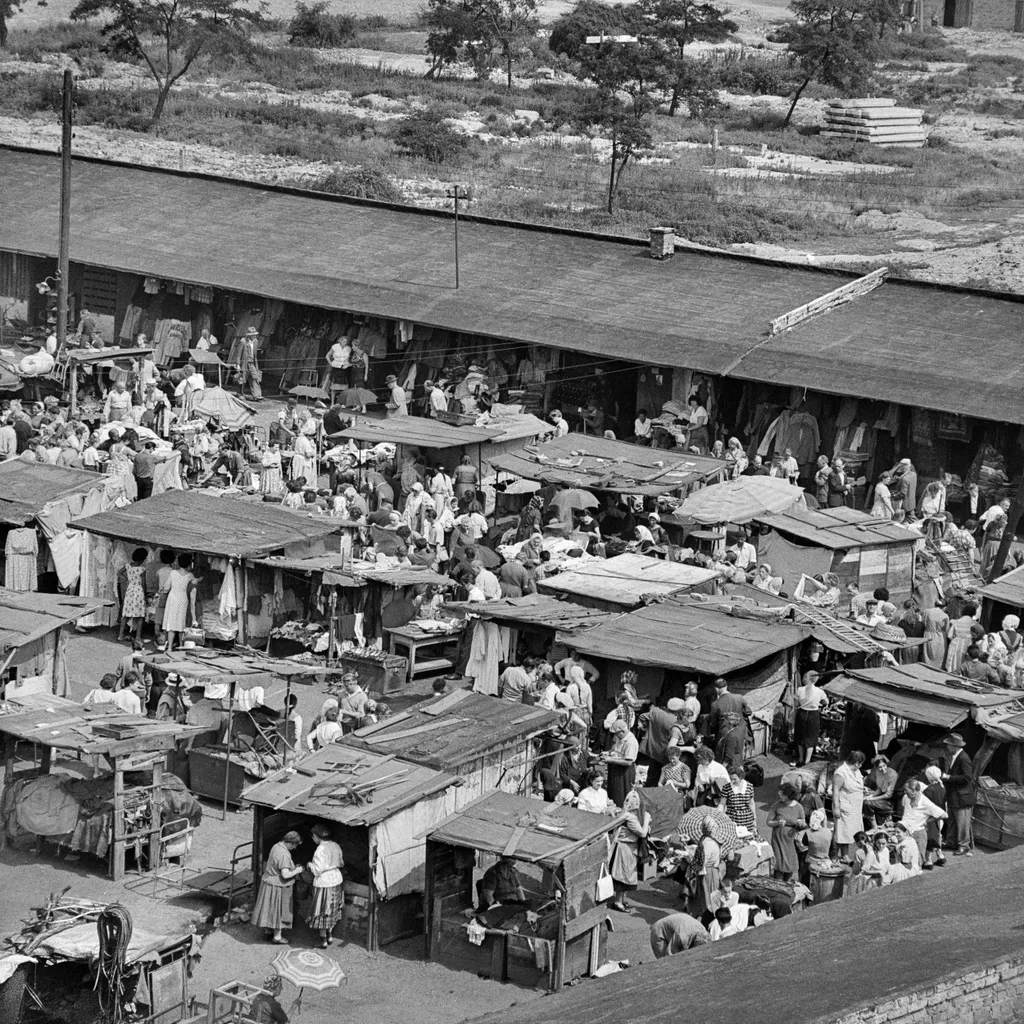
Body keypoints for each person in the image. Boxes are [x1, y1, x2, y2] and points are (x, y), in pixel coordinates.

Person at [252, 831, 304, 943]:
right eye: (295, 845)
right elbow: (285, 875)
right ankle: (277, 937)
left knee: (269, 908)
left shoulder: (276, 846)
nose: (295, 848)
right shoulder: (284, 854)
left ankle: (268, 931)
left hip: (268, 882)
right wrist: (297, 870)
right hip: (277, 886)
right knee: (278, 911)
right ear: (290, 842)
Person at [609, 790, 650, 912]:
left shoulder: (623, 813)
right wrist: (647, 820)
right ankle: (617, 902)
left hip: (624, 847)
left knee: (624, 874)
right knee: (623, 876)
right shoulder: (630, 818)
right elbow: (642, 833)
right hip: (626, 848)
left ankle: (620, 900)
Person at [307, 824, 345, 947]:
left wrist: (309, 865)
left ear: (316, 836)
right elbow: (341, 863)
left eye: (313, 837)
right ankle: (330, 936)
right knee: (332, 909)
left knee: (322, 910)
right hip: (336, 879)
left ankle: (322, 940)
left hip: (324, 882)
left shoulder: (320, 850)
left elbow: (317, 870)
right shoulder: (336, 845)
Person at [900, 778, 947, 867]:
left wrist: (926, 821)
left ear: (913, 790)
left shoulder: (925, 802)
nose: (904, 792)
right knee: (904, 859)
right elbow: (905, 810)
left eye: (906, 790)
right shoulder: (906, 797)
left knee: (916, 864)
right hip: (904, 831)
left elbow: (944, 815)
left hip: (917, 834)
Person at [942, 732, 975, 856]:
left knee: (962, 823)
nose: (947, 747)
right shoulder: (955, 757)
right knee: (952, 821)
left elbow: (967, 778)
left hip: (962, 797)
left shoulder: (963, 758)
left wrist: (949, 777)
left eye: (949, 745)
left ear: (954, 746)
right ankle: (951, 842)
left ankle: (964, 845)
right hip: (954, 796)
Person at [832, 750, 866, 861]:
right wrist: (836, 808)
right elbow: (835, 790)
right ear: (856, 763)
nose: (860, 766)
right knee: (843, 831)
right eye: (860, 764)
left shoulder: (857, 771)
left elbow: (856, 783)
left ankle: (845, 855)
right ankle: (839, 855)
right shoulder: (841, 772)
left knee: (849, 831)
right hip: (845, 805)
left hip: (855, 807)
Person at [767, 781, 805, 881]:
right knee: (778, 864)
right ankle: (777, 884)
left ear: (788, 795)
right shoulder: (777, 805)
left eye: (782, 793)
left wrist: (800, 823)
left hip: (791, 841)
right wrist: (777, 823)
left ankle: (787, 884)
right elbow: (768, 822)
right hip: (778, 839)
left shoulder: (799, 807)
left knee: (790, 864)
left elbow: (804, 824)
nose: (779, 795)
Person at [161, 552, 198, 652]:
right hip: (183, 598)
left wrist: (162, 592)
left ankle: (169, 648)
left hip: (172, 597)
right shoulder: (190, 575)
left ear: (178, 562)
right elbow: (194, 585)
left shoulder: (173, 573)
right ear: (189, 563)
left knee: (171, 623)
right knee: (181, 624)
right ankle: (181, 646)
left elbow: (166, 586)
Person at [687, 817, 723, 919]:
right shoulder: (715, 840)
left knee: (707, 896)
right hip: (712, 871)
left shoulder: (706, 842)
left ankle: (709, 917)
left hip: (707, 873)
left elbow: (702, 861)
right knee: (711, 895)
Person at [792, 670, 828, 766]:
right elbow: (826, 702)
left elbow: (796, 704)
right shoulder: (820, 691)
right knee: (811, 738)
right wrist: (819, 703)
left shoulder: (800, 689)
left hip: (802, 713)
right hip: (813, 715)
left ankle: (800, 759)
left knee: (800, 736)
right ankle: (807, 761)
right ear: (816, 679)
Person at [603, 719, 638, 807]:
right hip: (615, 767)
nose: (615, 735)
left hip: (624, 771)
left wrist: (611, 760)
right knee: (613, 791)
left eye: (616, 733)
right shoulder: (620, 737)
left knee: (621, 793)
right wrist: (608, 752)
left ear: (622, 731)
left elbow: (628, 762)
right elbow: (614, 749)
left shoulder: (630, 742)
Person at [118, 547, 149, 643]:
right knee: (139, 615)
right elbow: (144, 584)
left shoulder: (127, 566)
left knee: (126, 614)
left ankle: (120, 635)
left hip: (130, 591)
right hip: (139, 591)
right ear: (142, 559)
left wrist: (126, 579)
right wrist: (145, 595)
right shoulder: (142, 569)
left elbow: (118, 573)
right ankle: (138, 637)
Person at [922, 765, 948, 868]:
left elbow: (925, 805)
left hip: (931, 817)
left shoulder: (928, 790)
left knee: (931, 838)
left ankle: (928, 861)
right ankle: (940, 856)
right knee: (937, 836)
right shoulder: (942, 787)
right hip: (941, 816)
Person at [722, 765, 758, 838]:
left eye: (735, 779)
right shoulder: (726, 787)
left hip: (747, 819)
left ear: (740, 777)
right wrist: (719, 816)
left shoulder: (749, 786)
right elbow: (722, 804)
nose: (732, 781)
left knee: (749, 840)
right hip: (733, 819)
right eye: (731, 779)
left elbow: (751, 803)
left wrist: (754, 819)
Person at [863, 753, 899, 825]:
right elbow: (879, 788)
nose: (883, 769)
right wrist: (872, 796)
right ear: (876, 768)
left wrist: (872, 799)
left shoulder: (892, 774)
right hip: (882, 797)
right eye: (880, 767)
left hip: (890, 801)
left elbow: (888, 795)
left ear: (886, 764)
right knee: (864, 799)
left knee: (867, 803)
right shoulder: (878, 772)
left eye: (884, 766)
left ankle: (874, 825)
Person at [797, 807, 834, 875]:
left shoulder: (808, 833)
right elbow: (832, 847)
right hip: (826, 862)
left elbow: (804, 844)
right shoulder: (828, 832)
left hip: (811, 862)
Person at [945, 603, 977, 673]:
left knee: (953, 663)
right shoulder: (974, 623)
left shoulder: (956, 621)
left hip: (956, 643)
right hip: (968, 644)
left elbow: (949, 635)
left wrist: (956, 638)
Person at [921, 600, 950, 669]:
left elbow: (923, 622)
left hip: (928, 634)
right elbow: (947, 629)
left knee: (927, 653)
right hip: (940, 636)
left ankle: (926, 668)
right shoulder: (945, 616)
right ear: (945, 607)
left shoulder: (927, 611)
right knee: (939, 654)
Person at [235, 326, 262, 400]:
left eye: (255, 334)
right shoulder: (243, 341)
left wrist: (256, 365)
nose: (254, 336)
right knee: (242, 379)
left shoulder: (255, 341)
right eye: (253, 335)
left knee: (255, 378)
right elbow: (238, 354)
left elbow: (255, 354)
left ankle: (257, 395)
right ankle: (240, 393)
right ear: (248, 335)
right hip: (244, 363)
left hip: (252, 363)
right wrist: (238, 365)